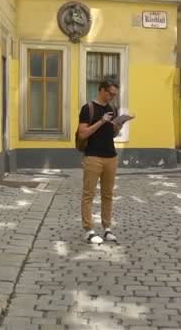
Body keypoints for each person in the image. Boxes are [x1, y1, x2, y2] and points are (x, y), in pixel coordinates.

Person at [77, 80, 125, 244]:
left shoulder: (112, 108)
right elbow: (83, 134)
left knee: (108, 195)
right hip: (93, 156)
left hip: (111, 156)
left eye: (115, 95)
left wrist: (118, 125)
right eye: (110, 93)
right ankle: (88, 230)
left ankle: (107, 228)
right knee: (89, 194)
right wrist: (101, 121)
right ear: (101, 90)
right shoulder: (88, 108)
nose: (112, 97)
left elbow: (111, 134)